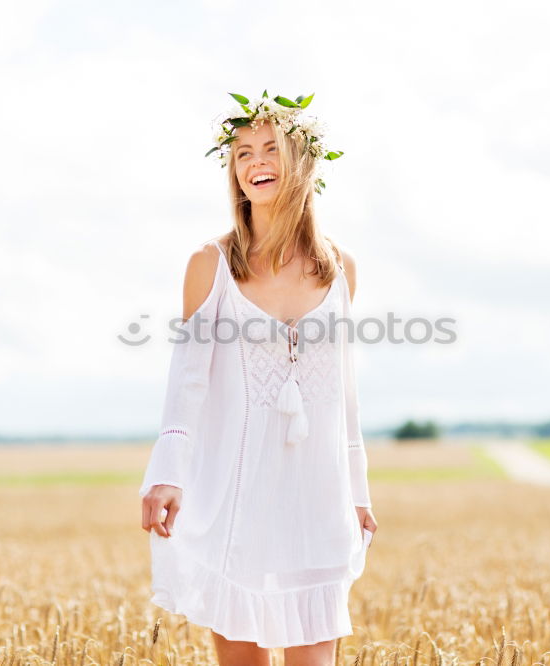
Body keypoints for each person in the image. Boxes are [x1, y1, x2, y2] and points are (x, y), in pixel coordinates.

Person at [139, 92, 376, 666]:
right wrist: (168, 474)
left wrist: (358, 493)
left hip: (317, 497)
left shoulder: (340, 267)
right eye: (243, 153)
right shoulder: (210, 264)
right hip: (235, 496)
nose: (256, 162)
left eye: (272, 148)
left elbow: (343, 394)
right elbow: (187, 381)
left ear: (304, 162)